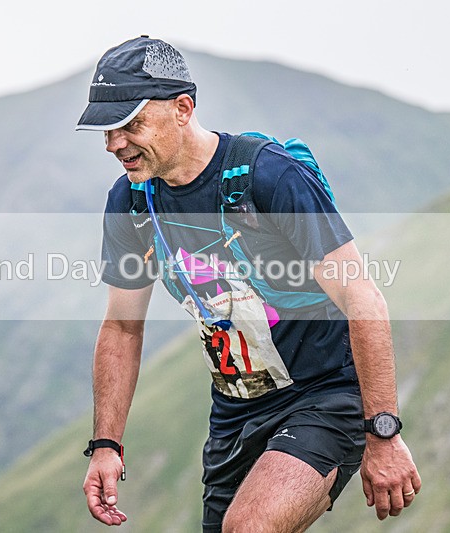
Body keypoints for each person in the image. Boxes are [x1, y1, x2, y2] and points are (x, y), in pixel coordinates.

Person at [76, 36, 421, 532]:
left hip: (325, 395)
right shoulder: (129, 203)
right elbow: (122, 328)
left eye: (131, 125)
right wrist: (106, 445)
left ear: (182, 109)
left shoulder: (269, 176)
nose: (114, 144)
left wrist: (383, 433)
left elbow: (361, 295)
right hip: (235, 411)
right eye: (107, 130)